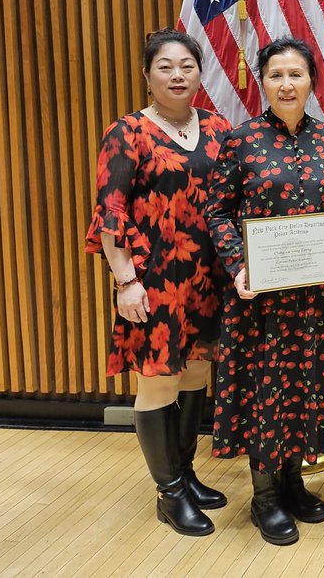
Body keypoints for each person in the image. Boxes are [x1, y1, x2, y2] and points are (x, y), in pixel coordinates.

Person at [84, 28, 233, 536]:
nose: (177, 75)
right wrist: (125, 281)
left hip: (207, 278)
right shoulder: (127, 132)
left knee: (194, 376)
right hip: (153, 280)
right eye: (165, 66)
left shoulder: (217, 127)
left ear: (200, 72)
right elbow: (111, 211)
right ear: (148, 76)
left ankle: (185, 474)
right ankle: (168, 495)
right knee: (158, 380)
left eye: (186, 65)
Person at [206, 37, 324, 546]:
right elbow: (218, 211)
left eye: (296, 75)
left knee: (305, 385)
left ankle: (293, 482)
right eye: (276, 76)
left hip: (315, 296)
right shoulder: (240, 140)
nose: (287, 85)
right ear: (261, 82)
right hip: (259, 298)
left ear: (312, 81)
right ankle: (264, 496)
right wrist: (238, 266)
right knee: (266, 391)